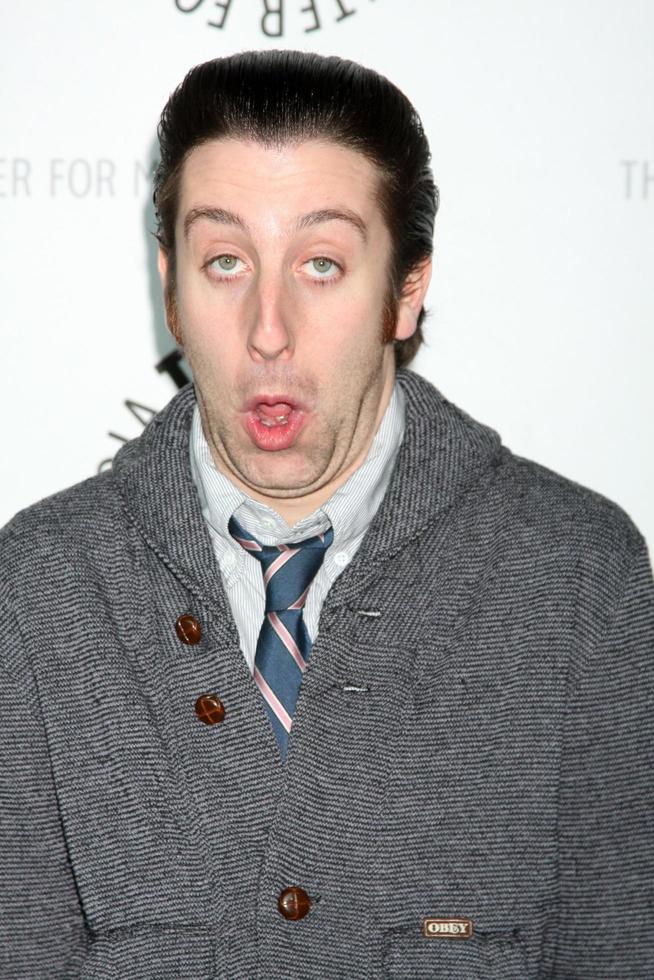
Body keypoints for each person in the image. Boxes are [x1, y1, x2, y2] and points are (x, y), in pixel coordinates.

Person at [0, 50, 652, 980]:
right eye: (224, 261)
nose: (269, 329)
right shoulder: (39, 590)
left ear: (407, 289)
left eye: (321, 263)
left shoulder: (579, 578)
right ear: (170, 288)